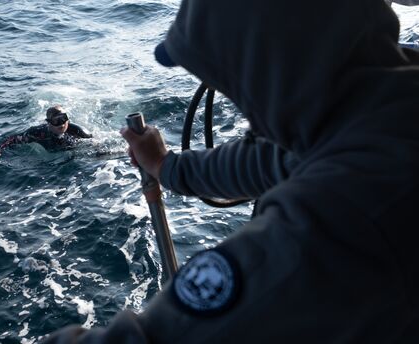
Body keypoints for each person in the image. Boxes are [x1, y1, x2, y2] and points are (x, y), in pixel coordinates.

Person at [40, 0, 419, 342]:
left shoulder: (349, 205)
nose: (240, 103)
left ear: (273, 73)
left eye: (232, 83)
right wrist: (166, 166)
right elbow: (272, 160)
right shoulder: (381, 110)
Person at [0, 105, 92, 157]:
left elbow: (96, 144)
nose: (62, 124)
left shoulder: (78, 132)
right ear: (48, 122)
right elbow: (13, 139)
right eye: (56, 121)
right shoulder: (38, 133)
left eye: (64, 118)